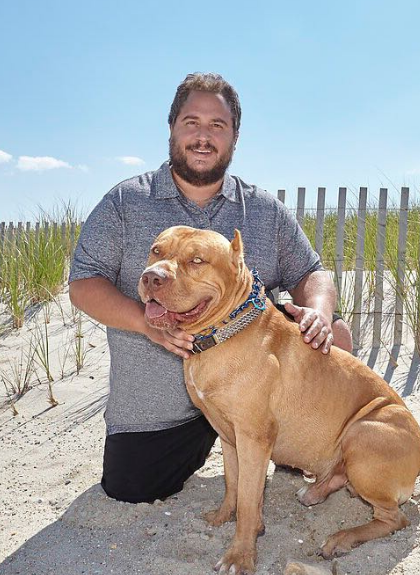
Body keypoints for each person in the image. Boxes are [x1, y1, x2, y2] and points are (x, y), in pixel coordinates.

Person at [69, 72, 353, 504]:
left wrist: (318, 309)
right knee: (130, 486)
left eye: (217, 126)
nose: (203, 137)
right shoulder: (126, 202)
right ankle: (216, 444)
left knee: (340, 335)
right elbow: (83, 282)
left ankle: (317, 449)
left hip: (260, 387)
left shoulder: (263, 209)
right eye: (191, 122)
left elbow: (313, 272)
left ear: (234, 137)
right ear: (172, 128)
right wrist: (146, 326)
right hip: (161, 406)